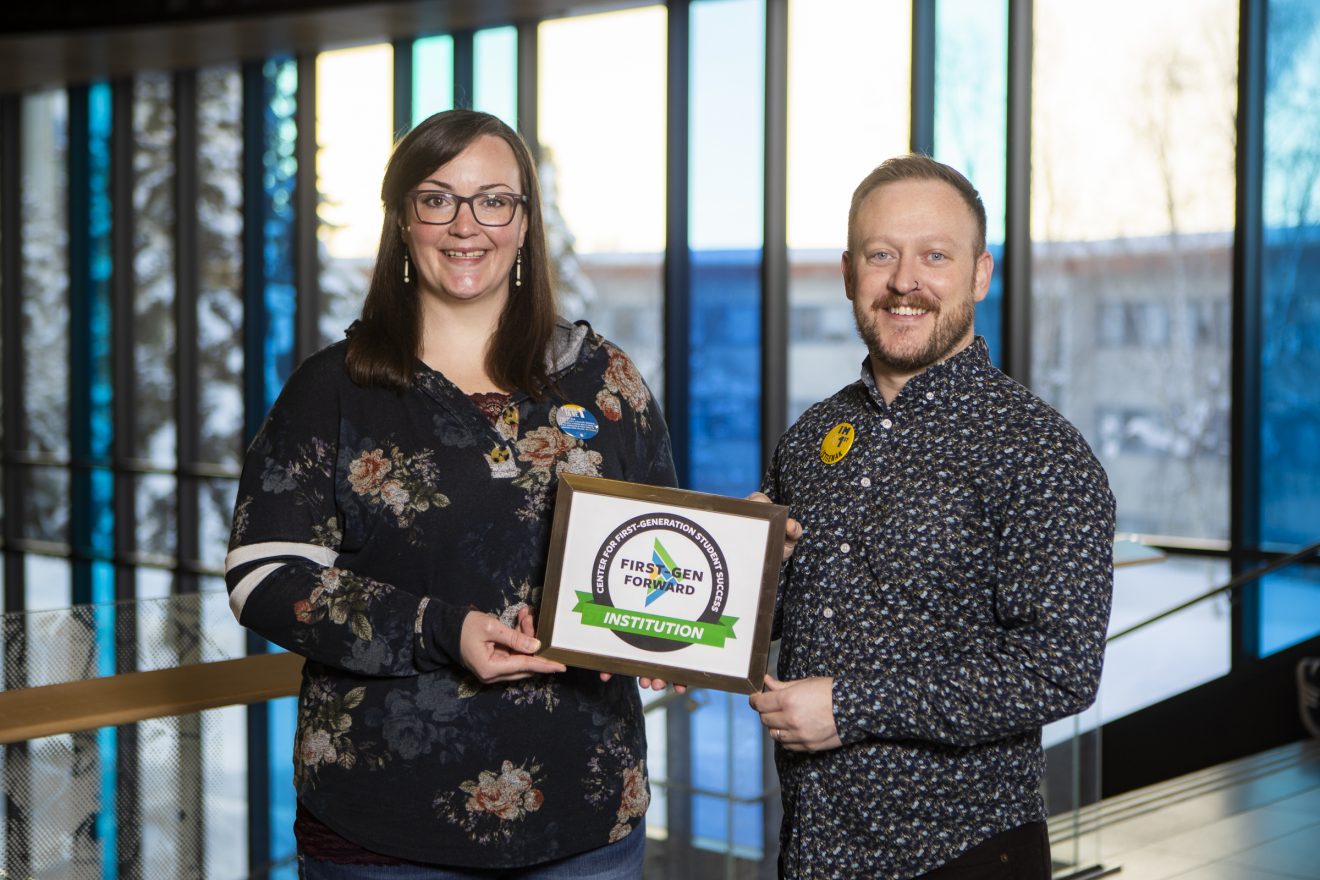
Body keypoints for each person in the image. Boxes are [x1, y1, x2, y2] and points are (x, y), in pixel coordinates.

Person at [225, 109, 676, 878]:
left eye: (494, 200)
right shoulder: (333, 389)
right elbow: (263, 578)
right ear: (403, 221)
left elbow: (656, 547)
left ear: (525, 221)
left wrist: (654, 634)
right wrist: (442, 629)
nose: (467, 225)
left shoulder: (605, 380)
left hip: (587, 815)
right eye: (437, 199)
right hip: (385, 830)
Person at [749, 155, 1116, 879]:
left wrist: (852, 709)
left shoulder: (1039, 451)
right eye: (882, 255)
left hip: (961, 854)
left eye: (934, 256)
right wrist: (740, 574)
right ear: (849, 272)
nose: (904, 282)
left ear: (980, 275)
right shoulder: (811, 441)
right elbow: (782, 619)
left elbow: (1058, 670)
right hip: (813, 849)